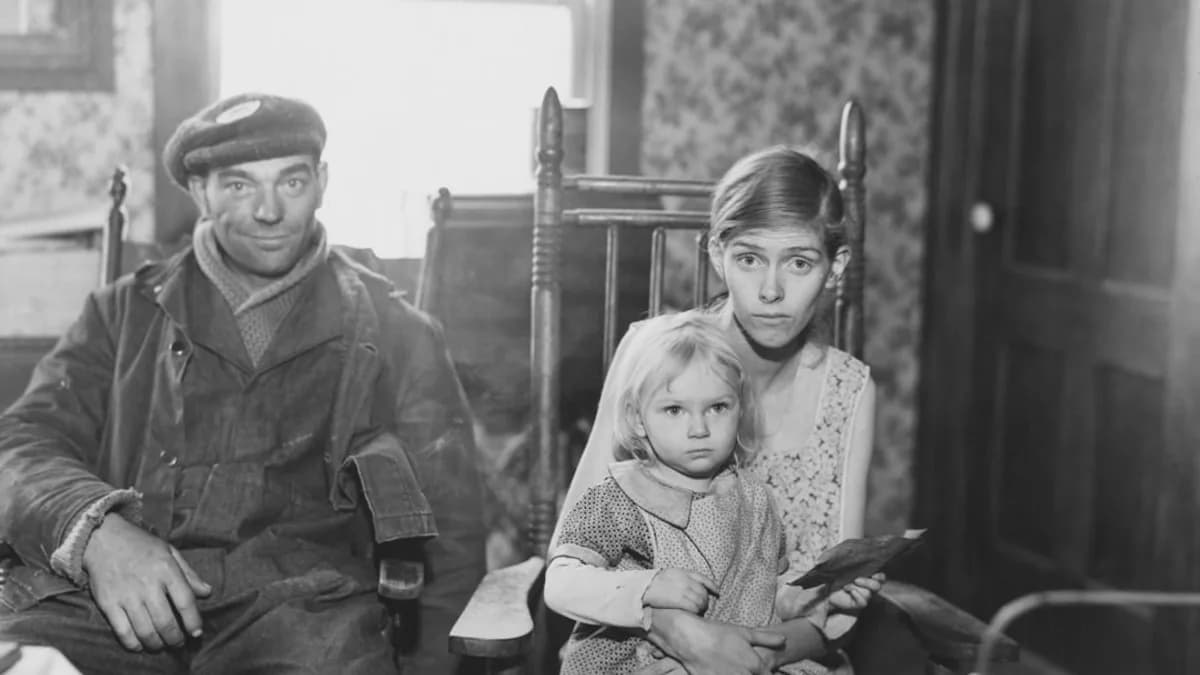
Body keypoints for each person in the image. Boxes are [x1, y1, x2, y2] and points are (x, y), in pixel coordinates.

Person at [0, 92, 486, 674]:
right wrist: (99, 533)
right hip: (118, 607)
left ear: (323, 182)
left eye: (291, 182)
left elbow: (453, 539)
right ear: (200, 192)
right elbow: (20, 445)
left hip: (305, 627)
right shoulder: (122, 314)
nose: (269, 211)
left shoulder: (398, 330)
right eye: (238, 185)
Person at [551, 146, 879, 675]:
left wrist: (740, 653)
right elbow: (570, 554)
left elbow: (828, 613)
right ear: (716, 254)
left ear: (835, 266)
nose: (772, 291)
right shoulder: (652, 354)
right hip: (640, 650)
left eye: (799, 262)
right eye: (750, 259)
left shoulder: (849, 388)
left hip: (780, 656)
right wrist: (684, 635)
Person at [544, 313, 875, 674]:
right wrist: (645, 587)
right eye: (674, 410)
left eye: (717, 408)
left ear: (740, 409)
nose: (699, 428)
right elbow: (561, 583)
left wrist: (813, 597)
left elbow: (762, 594)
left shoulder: (755, 500)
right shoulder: (618, 498)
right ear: (638, 418)